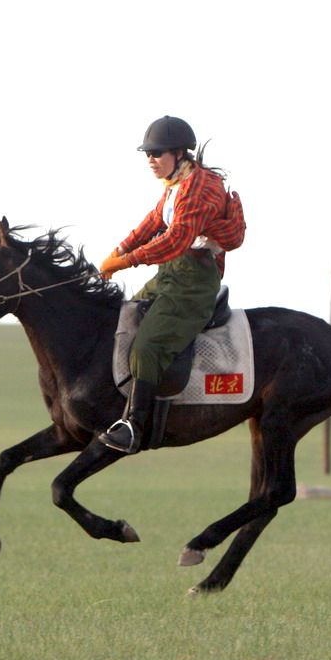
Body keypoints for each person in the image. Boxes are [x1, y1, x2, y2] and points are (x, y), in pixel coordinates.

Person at [98, 116, 245, 453]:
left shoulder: (199, 187)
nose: (150, 160)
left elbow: (176, 240)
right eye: (147, 154)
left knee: (147, 346)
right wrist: (118, 250)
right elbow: (153, 222)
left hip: (193, 282)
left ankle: (134, 426)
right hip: (169, 274)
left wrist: (128, 260)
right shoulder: (175, 184)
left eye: (157, 153)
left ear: (179, 153)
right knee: (122, 323)